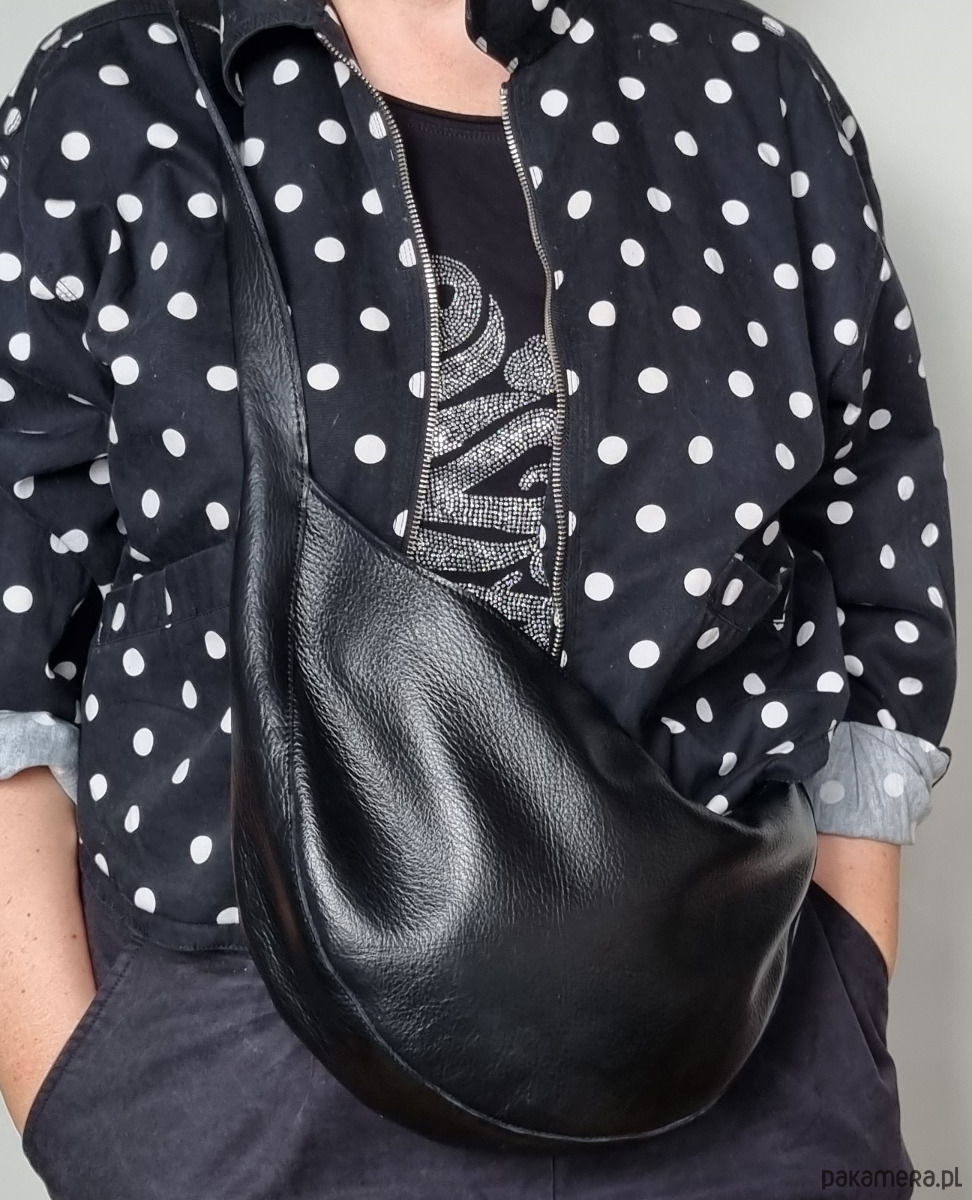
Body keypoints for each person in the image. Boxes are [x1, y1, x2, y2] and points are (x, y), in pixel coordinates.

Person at [0, 0, 956, 1196]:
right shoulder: (118, 87)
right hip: (246, 1063)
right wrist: (78, 1095)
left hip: (733, 1047)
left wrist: (847, 995)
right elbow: (14, 610)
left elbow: (876, 567)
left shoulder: (755, 89)